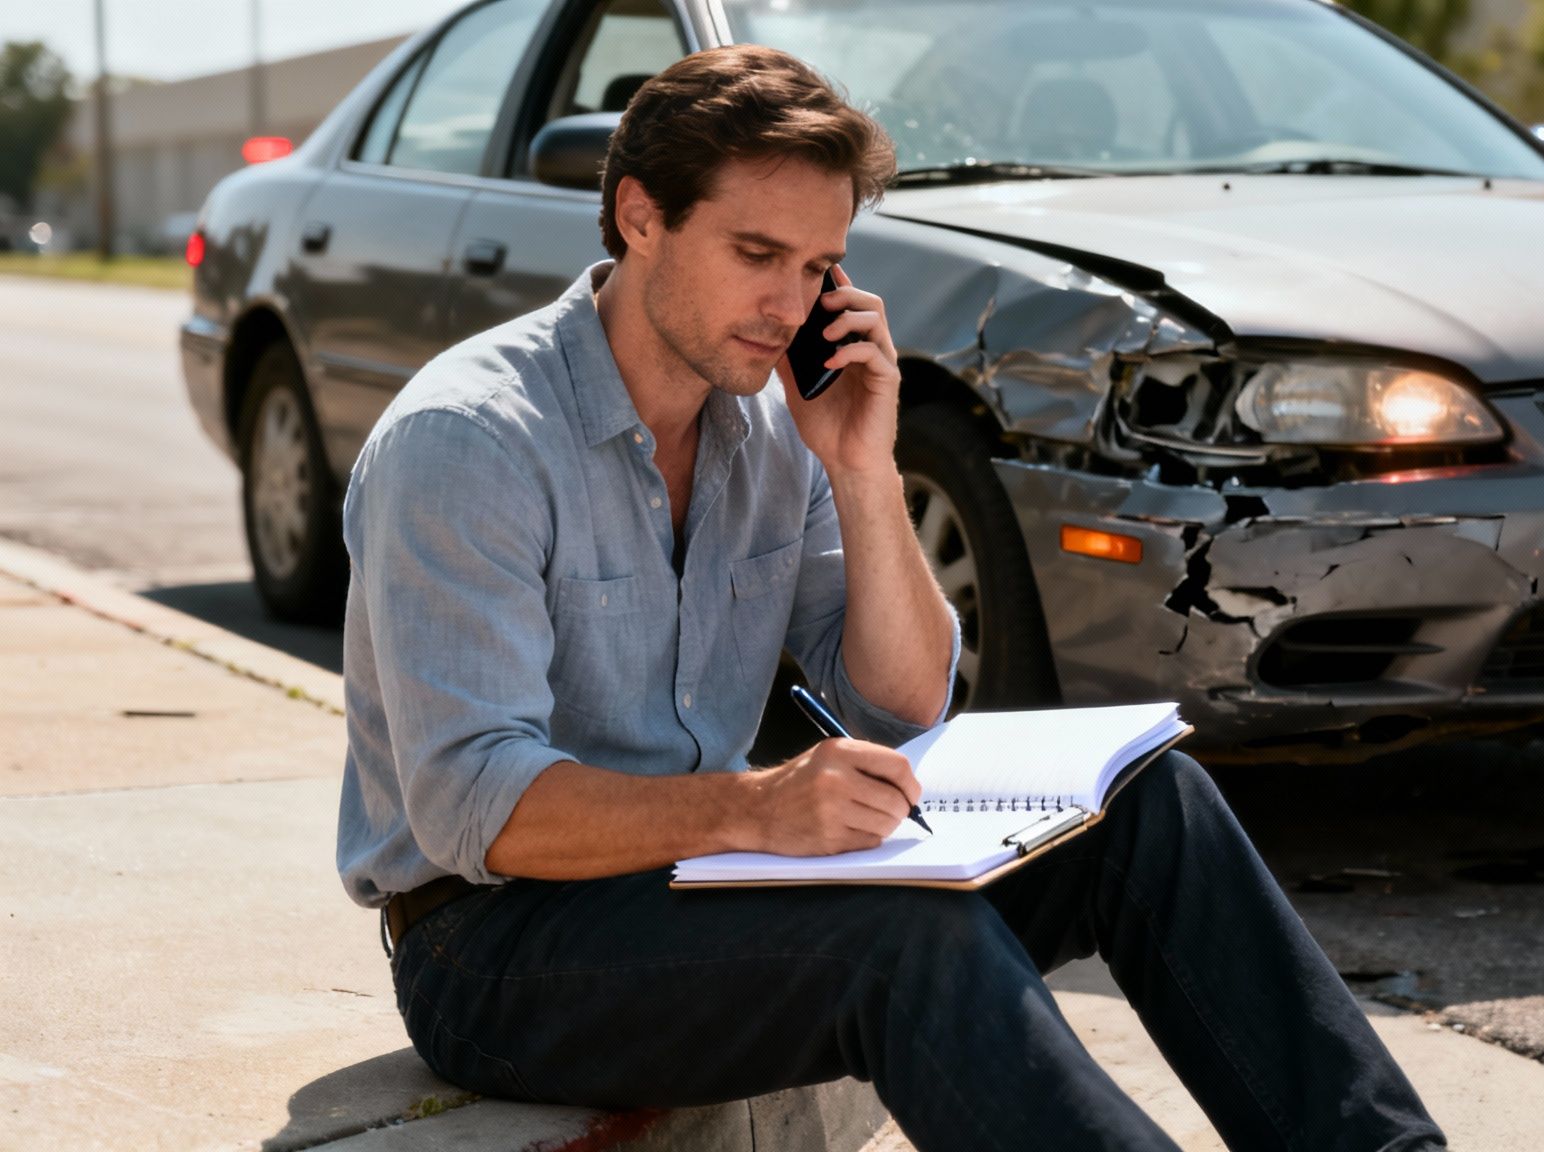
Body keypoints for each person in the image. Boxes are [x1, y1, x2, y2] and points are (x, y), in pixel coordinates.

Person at [336, 43, 1447, 1152]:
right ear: (638, 216)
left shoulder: (772, 429)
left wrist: (862, 469)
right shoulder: (470, 441)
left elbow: (904, 703)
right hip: (493, 948)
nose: (788, 304)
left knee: (1153, 804)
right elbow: (476, 804)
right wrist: (759, 809)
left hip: (708, 882)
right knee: (902, 935)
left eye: (819, 268)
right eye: (756, 253)